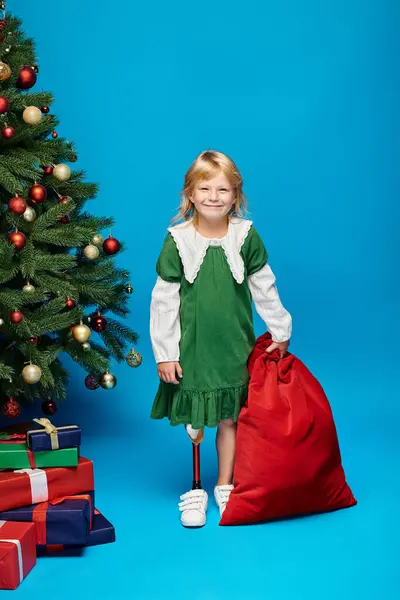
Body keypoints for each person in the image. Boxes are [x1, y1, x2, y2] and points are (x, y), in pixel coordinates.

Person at [150, 150, 292, 527]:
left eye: (223, 189)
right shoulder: (178, 240)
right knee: (196, 422)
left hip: (234, 348)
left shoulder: (245, 235)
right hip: (193, 351)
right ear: (191, 194)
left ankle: (224, 485)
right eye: (205, 188)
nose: (214, 197)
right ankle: (195, 488)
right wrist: (165, 353)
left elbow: (264, 284)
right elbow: (164, 299)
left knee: (230, 418)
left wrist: (280, 329)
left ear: (236, 196)